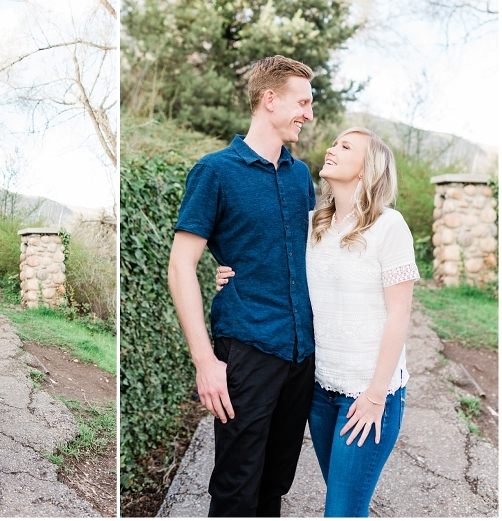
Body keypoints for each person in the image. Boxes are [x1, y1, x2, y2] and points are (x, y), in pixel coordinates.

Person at [216, 127, 418, 517]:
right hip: (321, 391)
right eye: (335, 142)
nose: (331, 148)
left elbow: (400, 313)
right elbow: (263, 258)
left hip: (369, 395)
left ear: (367, 169)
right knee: (346, 503)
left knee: (341, 510)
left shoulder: (389, 226)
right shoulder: (313, 225)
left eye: (345, 146)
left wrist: (376, 395)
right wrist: (224, 270)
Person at [167, 55, 317, 517]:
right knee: (236, 488)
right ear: (269, 100)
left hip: (301, 352)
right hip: (248, 348)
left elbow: (306, 254)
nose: (309, 115)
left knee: (275, 483)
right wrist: (205, 361)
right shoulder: (215, 171)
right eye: (303, 102)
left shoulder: (302, 176)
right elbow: (180, 265)